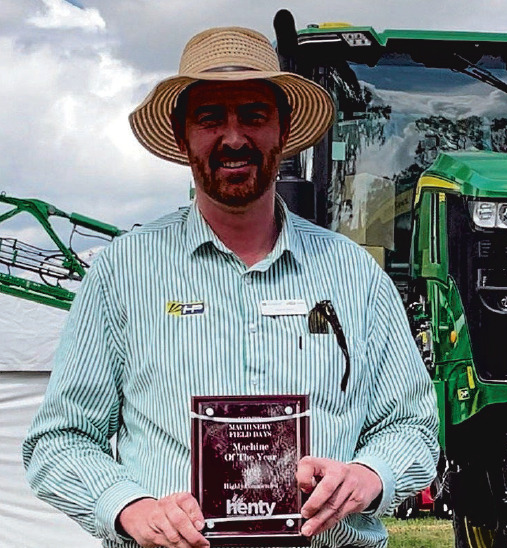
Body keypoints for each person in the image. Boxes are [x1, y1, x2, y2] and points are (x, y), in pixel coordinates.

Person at [23, 27, 439, 548]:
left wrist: (369, 475)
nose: (234, 137)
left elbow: (413, 428)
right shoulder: (122, 272)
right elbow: (59, 439)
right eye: (210, 118)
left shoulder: (354, 274)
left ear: (283, 135)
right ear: (183, 139)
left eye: (254, 115)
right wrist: (129, 506)